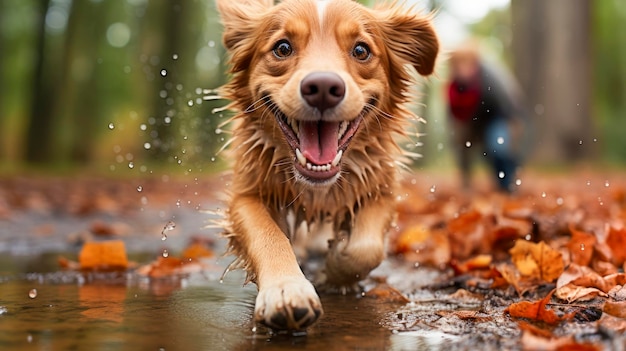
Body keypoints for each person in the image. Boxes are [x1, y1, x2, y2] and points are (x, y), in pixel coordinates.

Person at [446, 44, 527, 193]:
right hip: (473, 122)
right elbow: (453, 117)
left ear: (474, 63)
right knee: (468, 147)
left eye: (465, 64)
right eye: (457, 65)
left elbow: (508, 100)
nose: (461, 69)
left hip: (500, 116)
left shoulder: (491, 77)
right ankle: (471, 183)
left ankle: (508, 184)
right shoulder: (454, 88)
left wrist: (514, 123)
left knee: (498, 148)